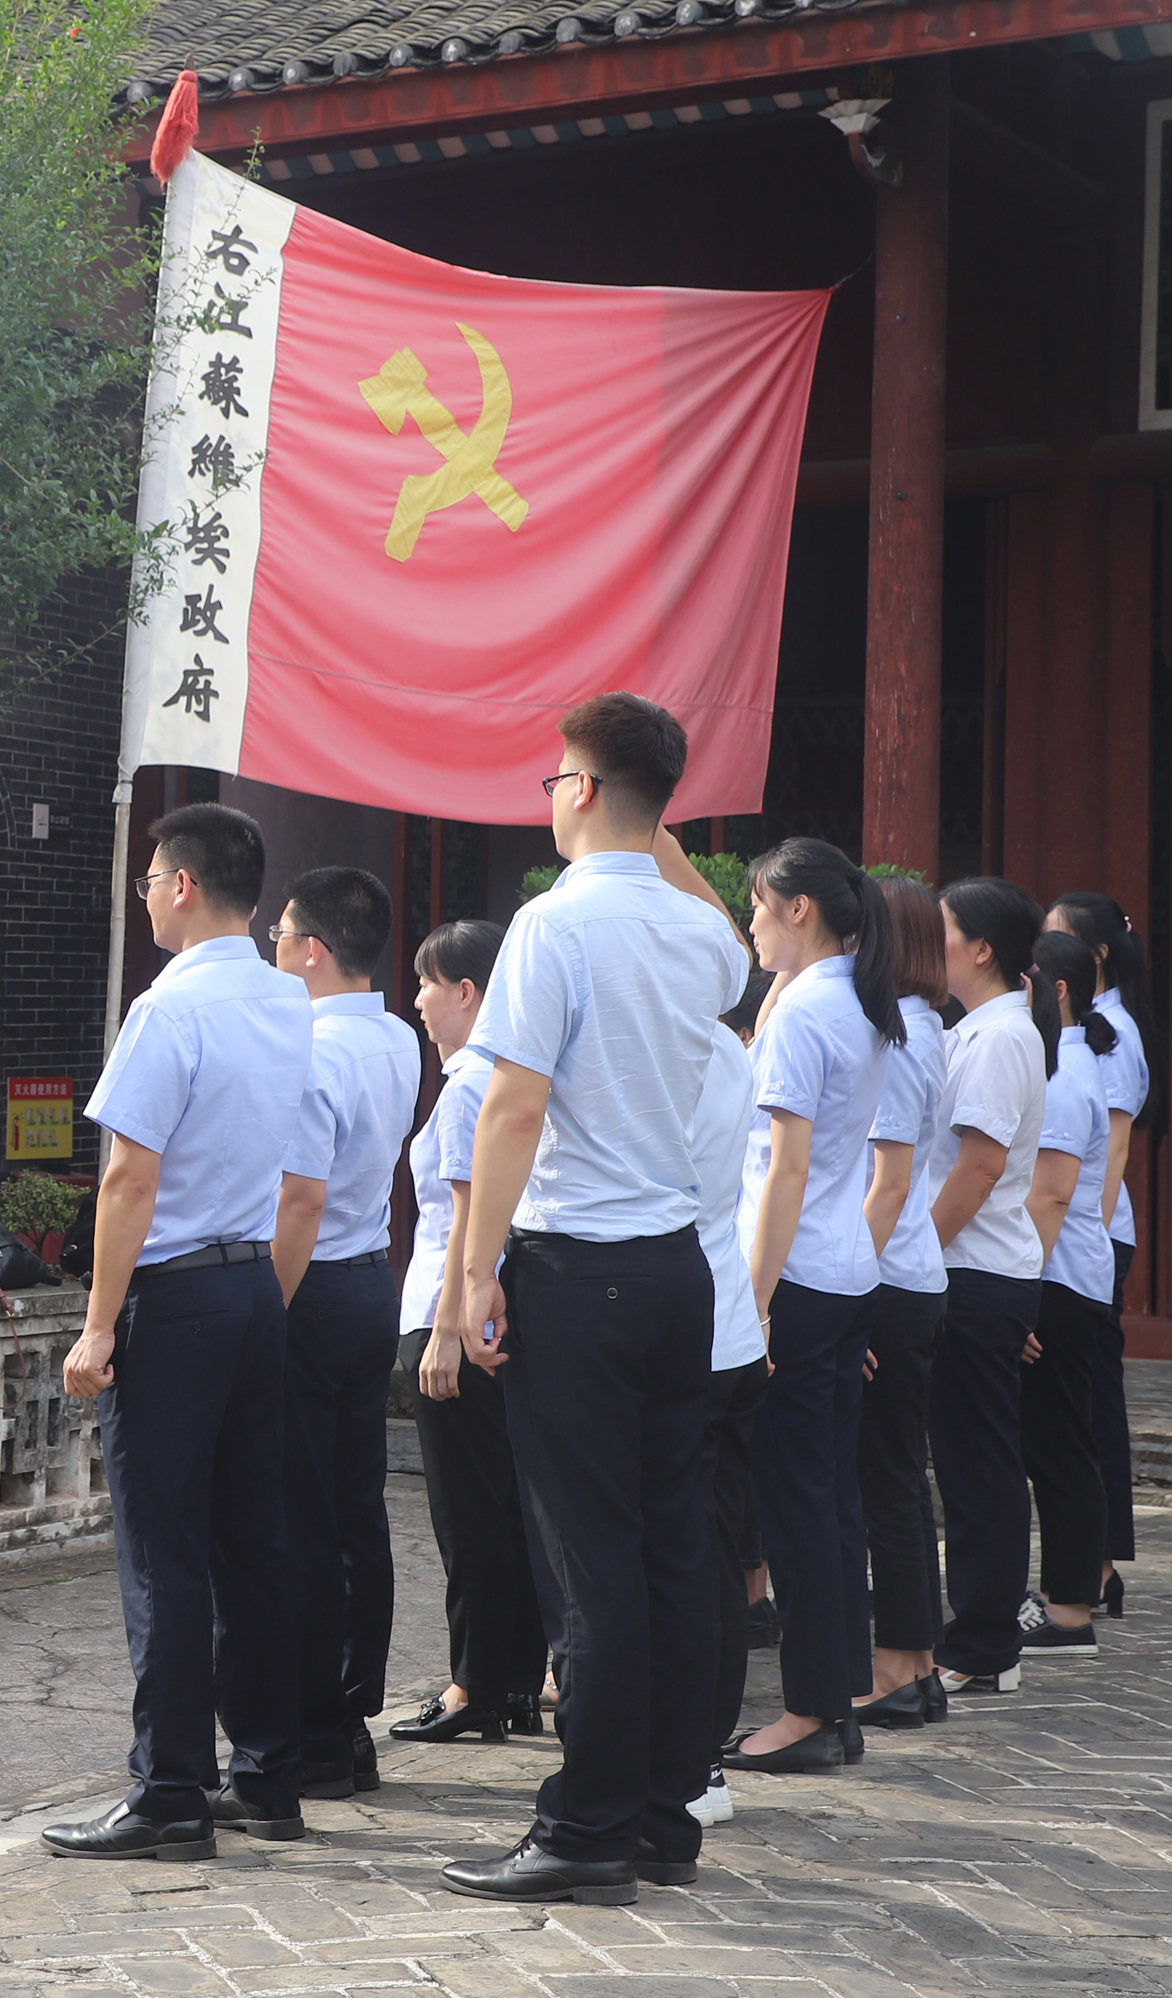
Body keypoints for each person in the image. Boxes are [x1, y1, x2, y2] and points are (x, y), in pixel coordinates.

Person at [427, 693, 747, 1908]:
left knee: (590, 1557)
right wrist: (651, 813)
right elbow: (726, 931)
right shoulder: (700, 936)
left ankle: (588, 1824)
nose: (549, 795)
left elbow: (513, 1107)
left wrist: (473, 1271)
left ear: (586, 791)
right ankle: (662, 1810)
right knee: (671, 1547)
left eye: (557, 777)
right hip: (676, 1272)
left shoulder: (551, 925)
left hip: (579, 1271)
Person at [44, 803, 313, 1861]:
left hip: (176, 1295)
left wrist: (96, 1325)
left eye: (151, 877)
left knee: (163, 1552)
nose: (146, 894)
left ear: (185, 884)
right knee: (255, 1544)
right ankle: (269, 1774)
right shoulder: (287, 998)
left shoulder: (168, 1008)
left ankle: (168, 1789)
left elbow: (129, 1177)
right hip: (251, 1287)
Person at [724, 839, 902, 1776]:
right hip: (844, 1272)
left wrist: (753, 1306)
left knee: (796, 1504)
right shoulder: (856, 1001)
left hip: (793, 1277)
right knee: (830, 1499)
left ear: (800, 908)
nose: (750, 921)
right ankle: (832, 1699)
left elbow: (783, 1171)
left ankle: (809, 1712)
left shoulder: (803, 1012)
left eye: (759, 903)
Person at [269, 865, 424, 1798]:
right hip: (371, 1280)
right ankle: (351, 1714)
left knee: (302, 1518)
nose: (274, 949)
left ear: (314, 951)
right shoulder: (398, 1035)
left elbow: (300, 1198)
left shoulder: (310, 1047)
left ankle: (317, 1728)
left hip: (313, 1284)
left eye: (281, 935)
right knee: (355, 1507)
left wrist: (267, 1311)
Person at [387, 919, 548, 1750]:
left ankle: (475, 1682)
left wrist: (445, 1332)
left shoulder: (467, 1087)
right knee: (506, 1507)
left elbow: (462, 1222)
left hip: (451, 1314)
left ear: (468, 991)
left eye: (428, 983)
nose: (417, 999)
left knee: (468, 1514)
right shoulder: (515, 1077)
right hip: (497, 1314)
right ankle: (513, 1678)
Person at [922, 878, 1054, 1696]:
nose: (927, 943)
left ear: (981, 948)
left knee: (977, 1467)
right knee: (970, 1461)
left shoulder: (1001, 1037)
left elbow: (979, 1166)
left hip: (971, 1269)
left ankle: (982, 1642)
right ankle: (979, 1631)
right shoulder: (978, 1029)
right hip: (973, 1269)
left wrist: (913, 1255)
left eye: (940, 929)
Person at [855, 876, 951, 1730]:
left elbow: (885, 1185)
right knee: (900, 1476)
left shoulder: (898, 1035)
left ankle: (895, 1664)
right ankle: (915, 1660)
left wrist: (847, 1291)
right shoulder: (925, 1026)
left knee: (884, 1478)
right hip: (909, 1271)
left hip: (884, 1274)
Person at [1042, 892, 1159, 1560]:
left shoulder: (1108, 1030)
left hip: (1091, 1232)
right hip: (1088, 1229)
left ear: (1096, 955)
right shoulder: (1093, 1022)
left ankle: (1100, 1560)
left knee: (1091, 1406)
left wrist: (1090, 1231)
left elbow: (1113, 1150)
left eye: (1055, 938)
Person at [1018, 930, 1115, 1660]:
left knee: (1058, 1446)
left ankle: (1071, 1605)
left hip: (1055, 1278)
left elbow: (1049, 1196)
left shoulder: (1062, 1076)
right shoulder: (1068, 1065)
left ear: (1056, 992)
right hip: (1065, 1274)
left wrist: (1018, 1298)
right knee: (1058, 1442)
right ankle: (1070, 1592)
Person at [690, 964, 768, 1826]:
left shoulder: (673, 1051)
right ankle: (702, 1754)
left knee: (687, 1554)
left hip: (691, 1329)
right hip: (730, 1324)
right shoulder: (730, 1050)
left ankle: (690, 1755)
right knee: (715, 1553)